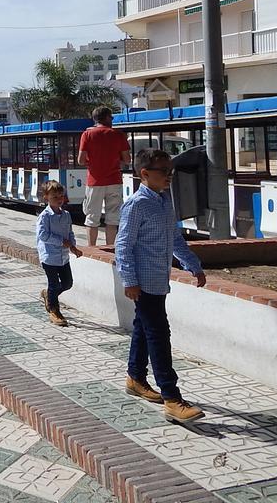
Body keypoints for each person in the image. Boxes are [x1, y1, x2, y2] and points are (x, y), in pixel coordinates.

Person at [115, 148, 207, 424]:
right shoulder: (136, 204)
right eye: (164, 172)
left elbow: (174, 236)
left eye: (171, 171)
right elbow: (123, 244)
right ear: (145, 174)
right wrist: (129, 281)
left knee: (144, 329)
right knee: (158, 333)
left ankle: (135, 377)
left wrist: (192, 263)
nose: (169, 176)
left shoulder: (165, 199)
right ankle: (171, 398)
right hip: (142, 282)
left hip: (158, 280)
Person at [78, 105, 131, 246]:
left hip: (94, 181)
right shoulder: (118, 135)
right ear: (107, 117)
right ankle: (110, 247)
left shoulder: (87, 135)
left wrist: (93, 161)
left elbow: (81, 160)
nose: (112, 120)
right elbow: (127, 160)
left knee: (91, 217)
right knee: (113, 218)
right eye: (111, 117)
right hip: (114, 180)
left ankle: (92, 248)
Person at [35, 181, 83, 326]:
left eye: (61, 196)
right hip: (49, 256)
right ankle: (54, 310)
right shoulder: (45, 216)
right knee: (54, 283)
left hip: (63, 257)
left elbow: (70, 232)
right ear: (46, 198)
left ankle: (49, 295)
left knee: (67, 283)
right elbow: (43, 235)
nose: (59, 199)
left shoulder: (66, 215)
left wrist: (73, 246)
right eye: (55, 197)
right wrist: (61, 241)